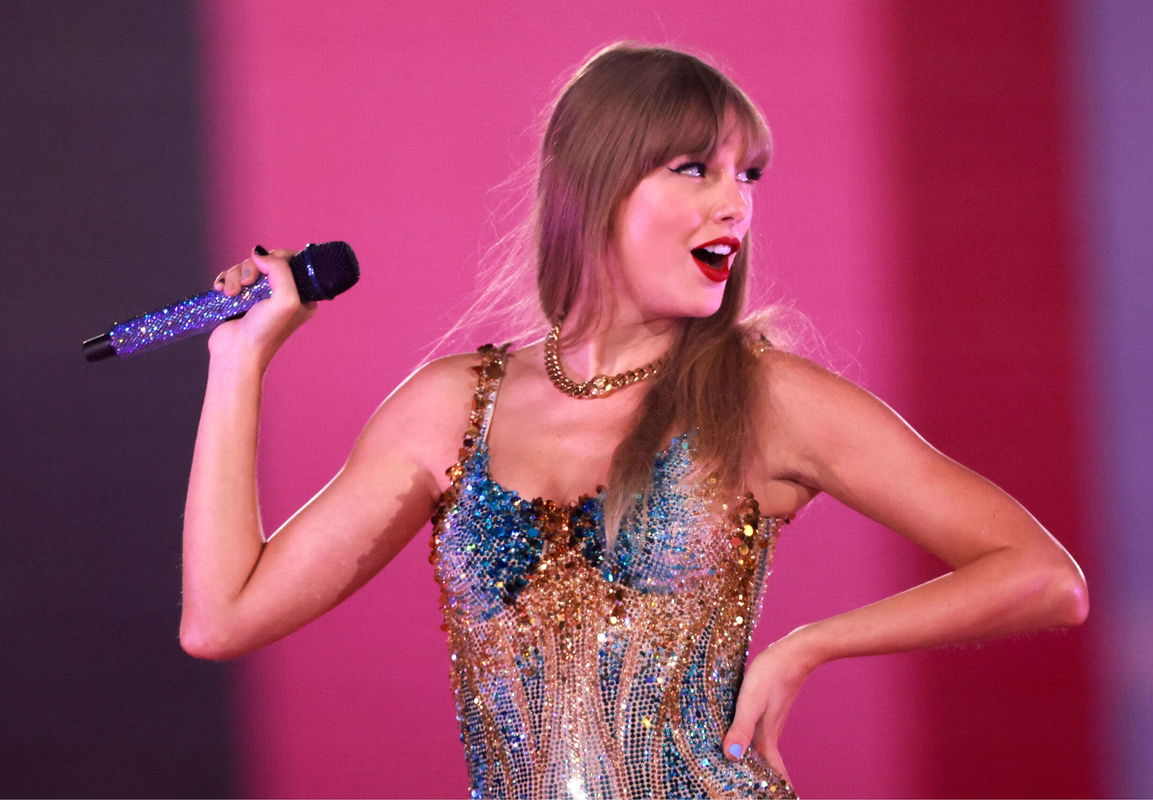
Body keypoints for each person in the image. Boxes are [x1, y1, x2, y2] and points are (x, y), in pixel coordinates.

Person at [180, 43, 1088, 799]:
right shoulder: (453, 405)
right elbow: (222, 620)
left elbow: (1044, 576)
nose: (735, 202)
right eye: (693, 167)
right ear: (594, 184)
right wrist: (240, 359)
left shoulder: (763, 398)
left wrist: (810, 646)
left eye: (747, 174)